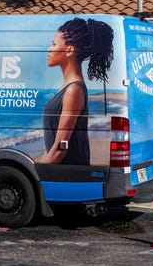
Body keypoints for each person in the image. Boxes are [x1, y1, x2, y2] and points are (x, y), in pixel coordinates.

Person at [39, 18, 114, 165]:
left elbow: (61, 147)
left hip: (68, 174)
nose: (49, 49)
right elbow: (54, 144)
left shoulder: (74, 90)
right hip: (60, 171)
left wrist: (37, 177)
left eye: (54, 44)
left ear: (69, 50)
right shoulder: (67, 87)